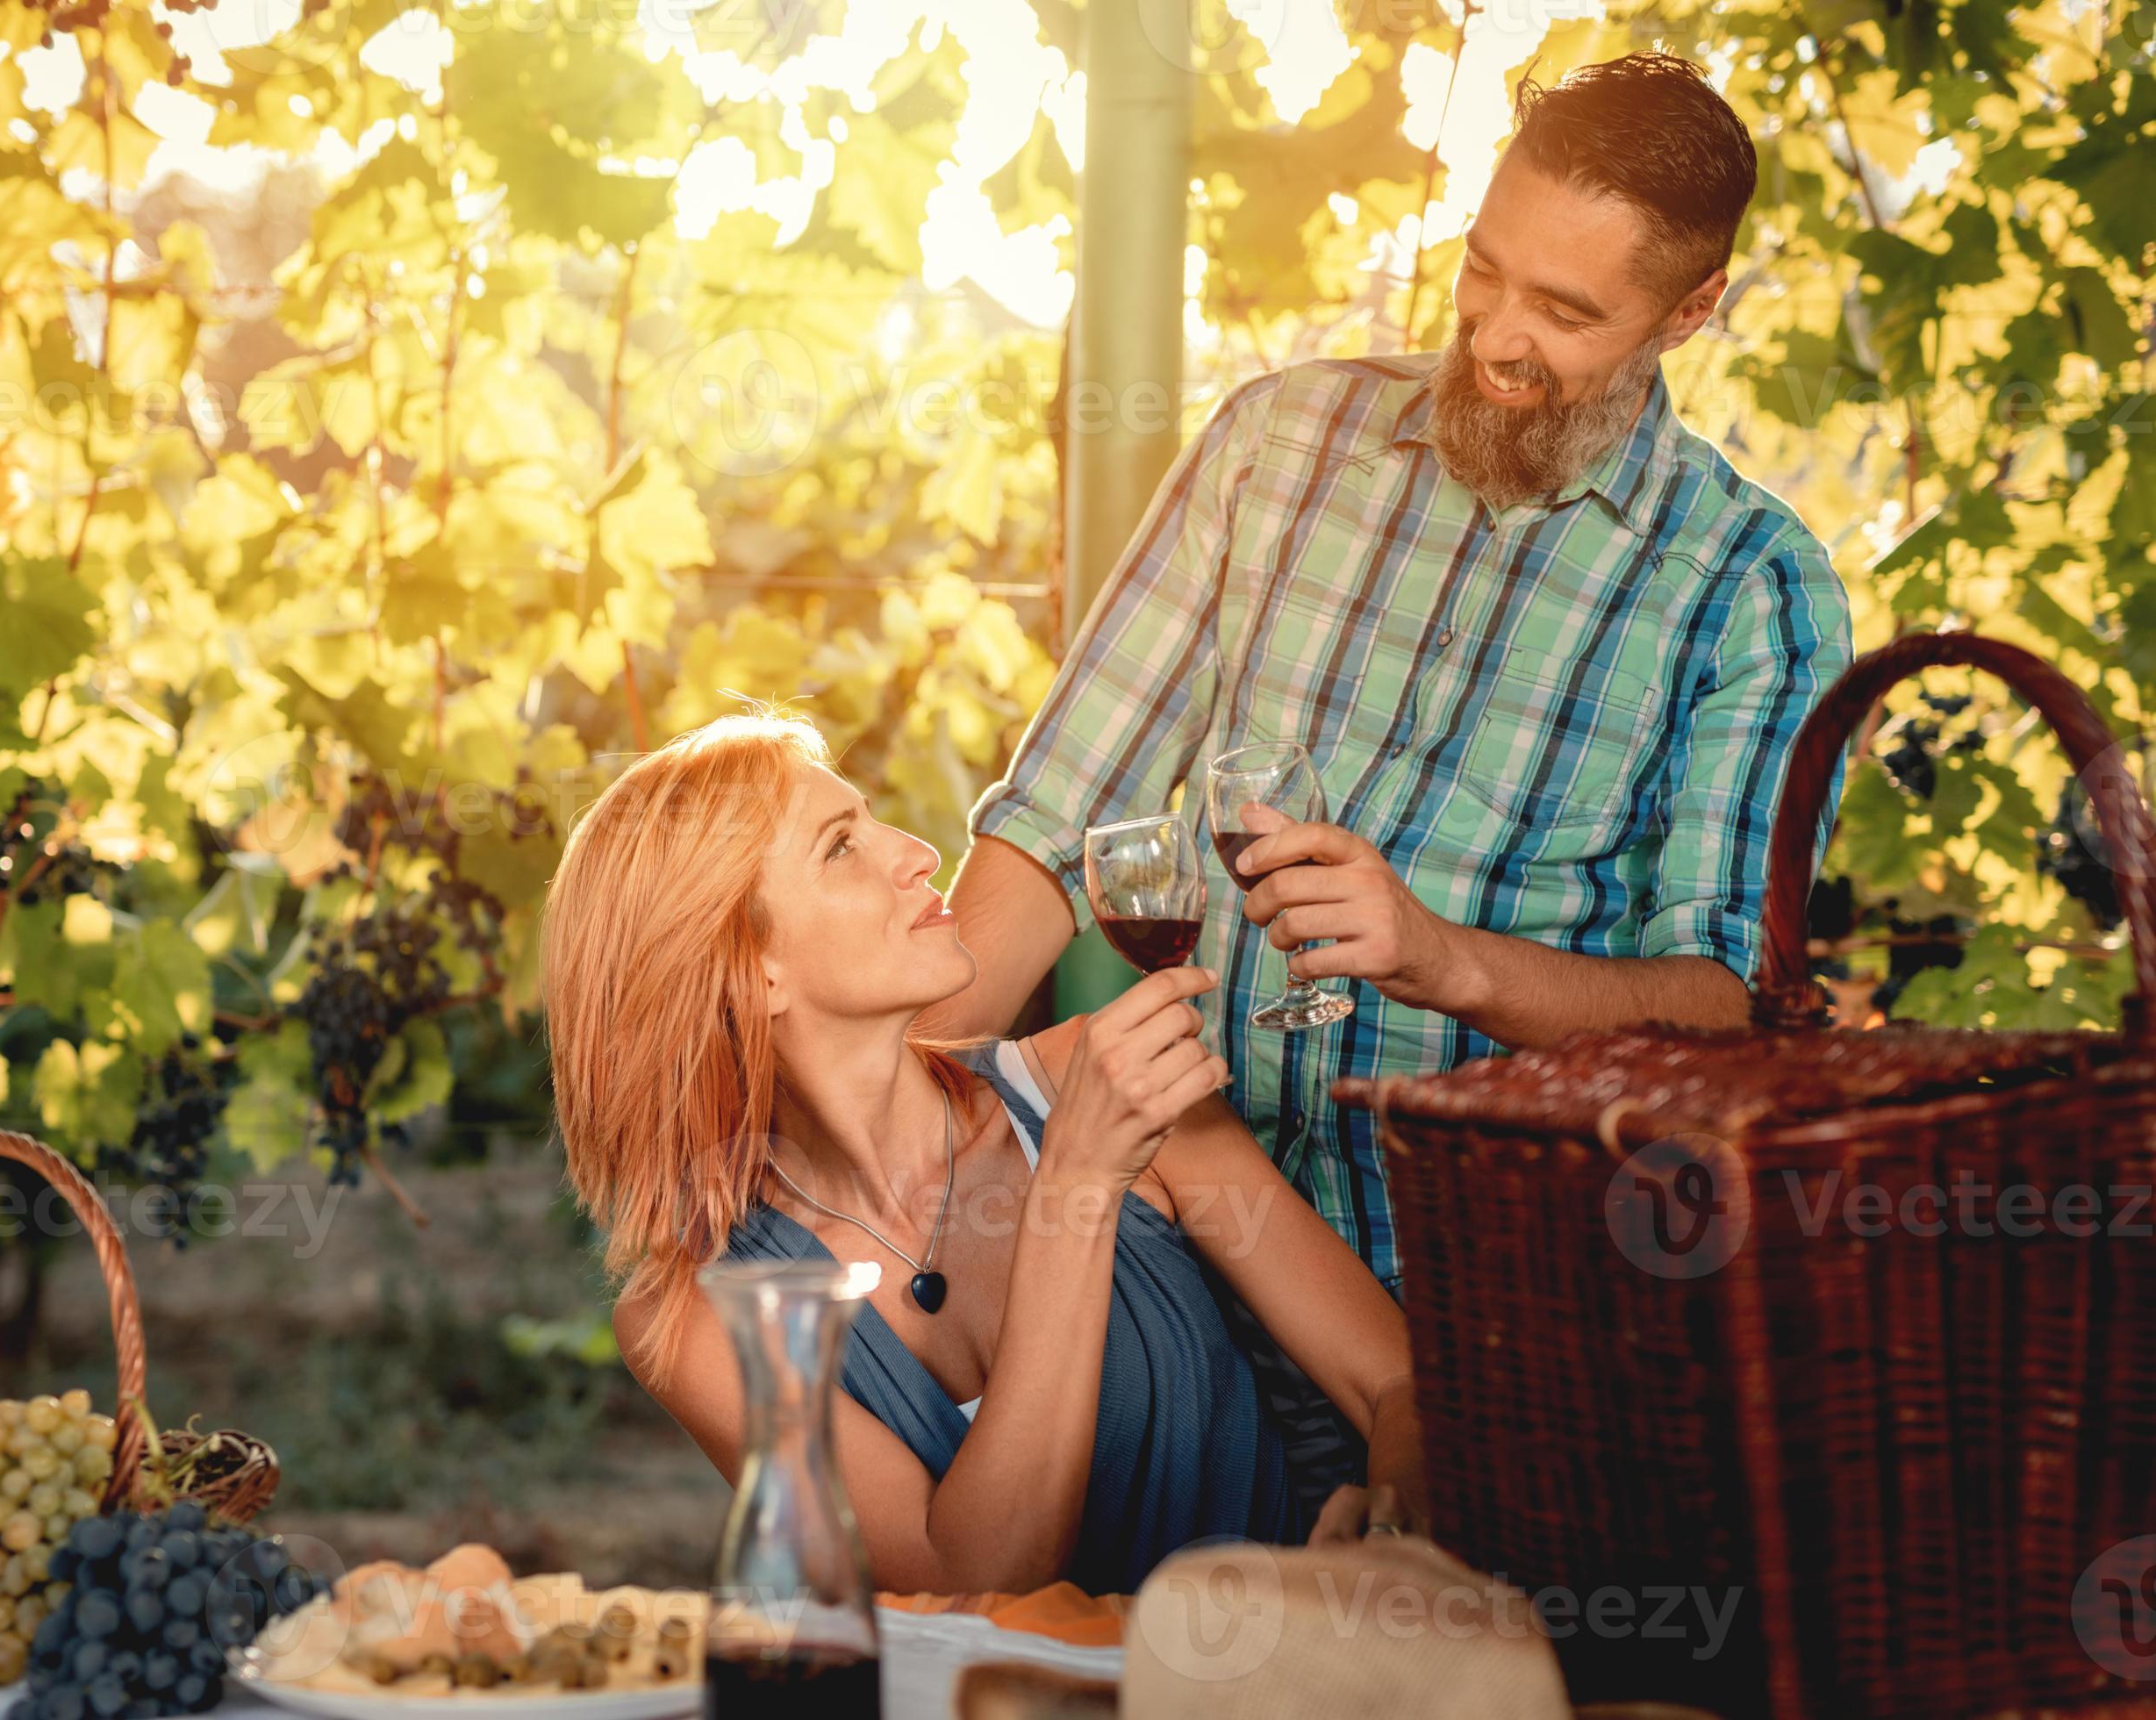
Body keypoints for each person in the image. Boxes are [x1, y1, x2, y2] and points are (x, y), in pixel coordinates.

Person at [927, 54, 1855, 1295]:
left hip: (1501, 1297)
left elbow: (1726, 1011)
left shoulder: (1751, 591)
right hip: (1176, 1238)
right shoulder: (1278, 446)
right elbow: (1057, 814)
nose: (1498, 338)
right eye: (1484, 269)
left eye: (1567, 314)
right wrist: (889, 1105)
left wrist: (1443, 960)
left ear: (1688, 311)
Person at [544, 716, 1423, 1596]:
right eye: (841, 846)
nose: (920, 852)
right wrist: (1074, 1186)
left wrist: (1393, 1544)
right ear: (756, 970)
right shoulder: (696, 1320)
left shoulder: (1098, 1076)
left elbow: (1393, 1380)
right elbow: (972, 1583)